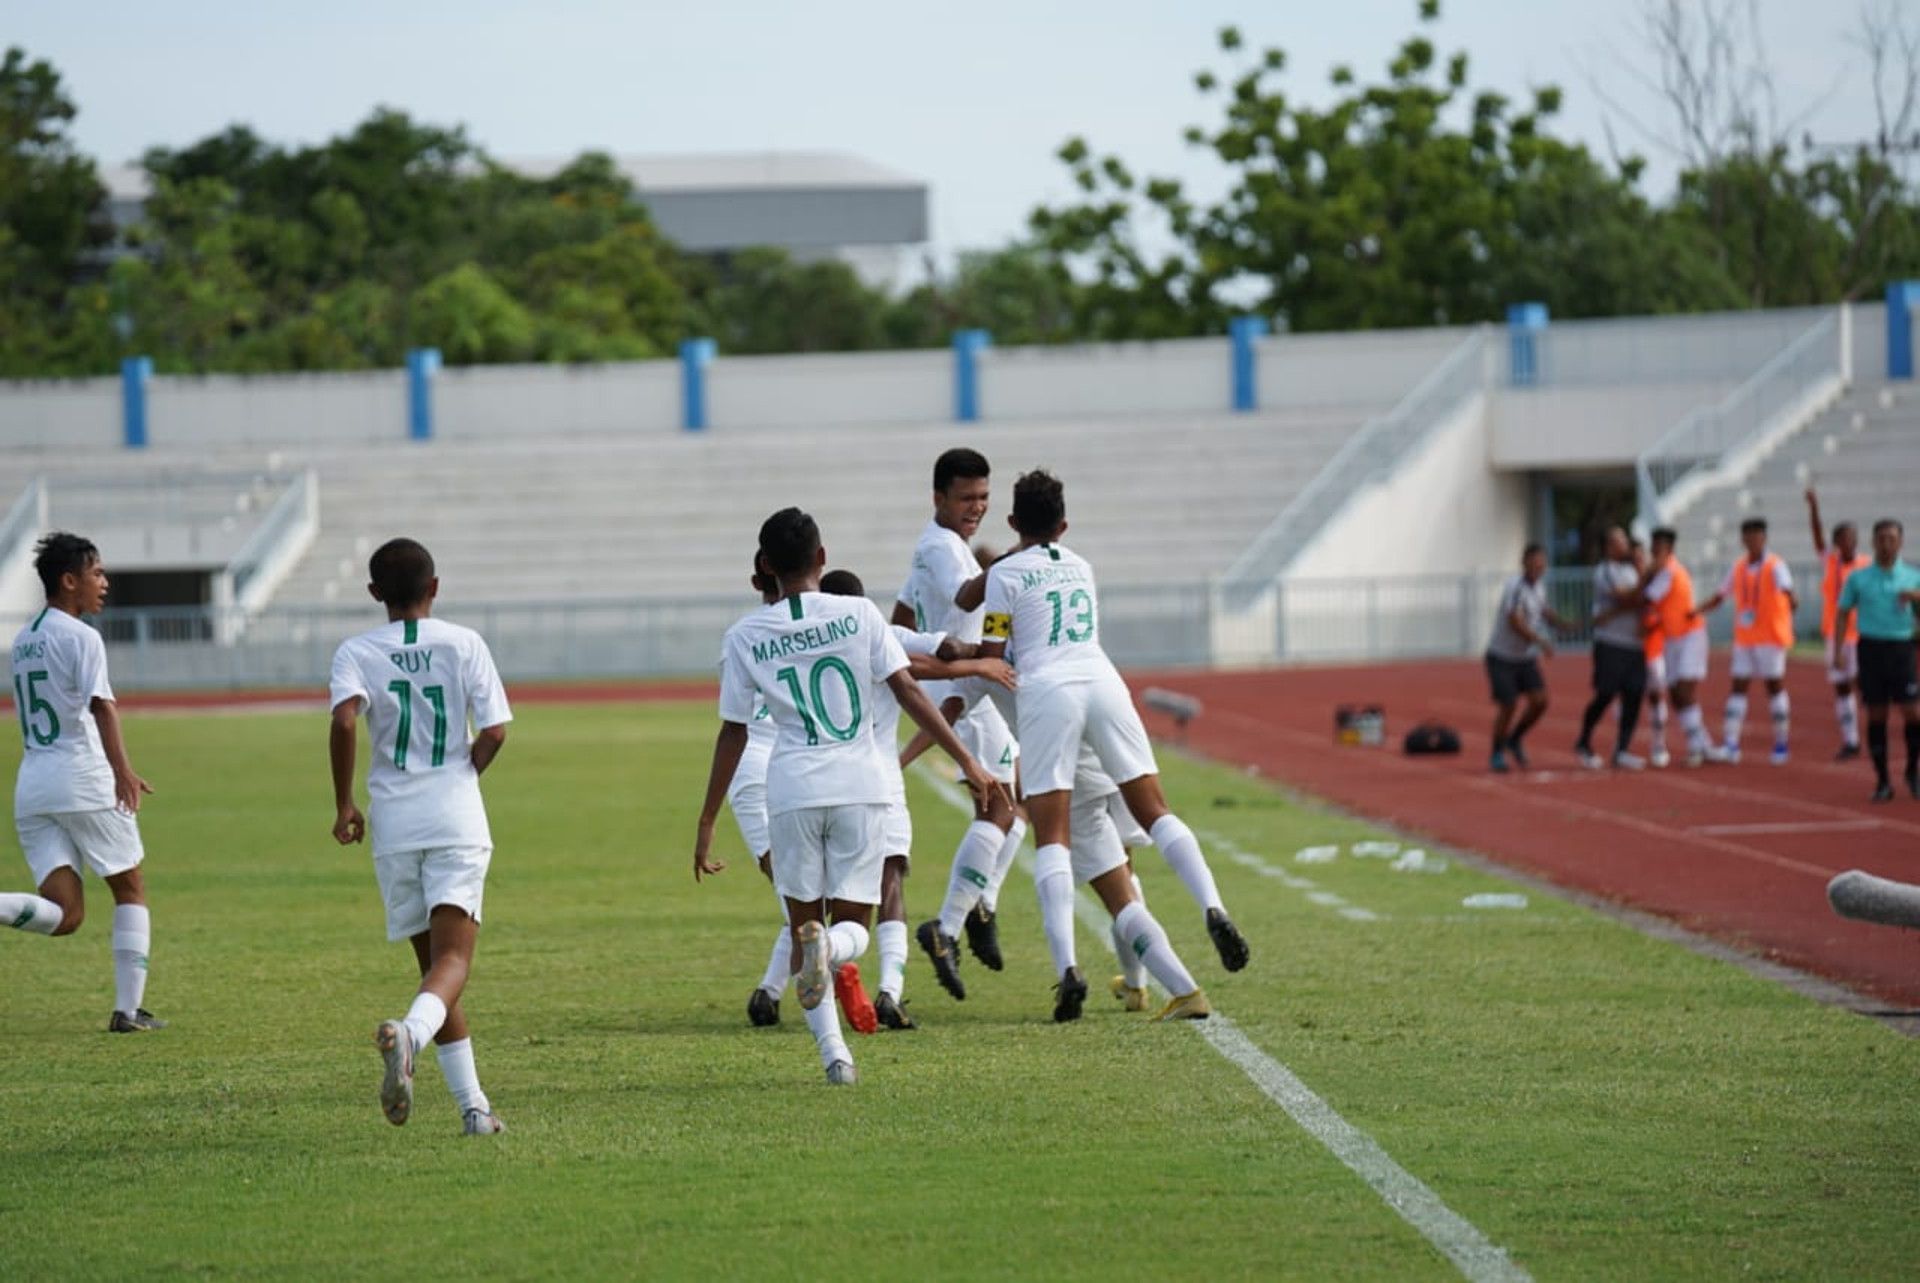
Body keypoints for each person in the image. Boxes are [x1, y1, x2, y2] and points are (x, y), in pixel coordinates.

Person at [693, 508, 993, 1085]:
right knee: (853, 928)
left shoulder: (746, 635)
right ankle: (830, 949)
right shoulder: (860, 614)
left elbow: (733, 730)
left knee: (803, 927)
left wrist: (707, 819)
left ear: (765, 568)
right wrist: (966, 759)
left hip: (791, 790)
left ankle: (837, 1058)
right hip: (862, 786)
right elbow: (908, 690)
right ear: (822, 559)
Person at [980, 469, 1246, 1021]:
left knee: (1050, 837)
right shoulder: (1082, 566)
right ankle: (1213, 906)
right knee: (1156, 811)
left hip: (1050, 691)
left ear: (1011, 522)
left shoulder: (1004, 572)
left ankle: (1067, 969)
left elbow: (992, 647)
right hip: (1103, 682)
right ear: (1064, 523)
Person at [329, 537, 512, 1135]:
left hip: (395, 823)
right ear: (435, 588)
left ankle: (475, 1110)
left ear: (375, 594)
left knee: (435, 971)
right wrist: (464, 773)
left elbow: (344, 718)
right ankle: (409, 1037)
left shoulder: (355, 651)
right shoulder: (465, 643)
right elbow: (496, 731)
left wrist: (345, 802)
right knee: (453, 962)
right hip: (455, 815)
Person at [819, 566, 1016, 1031]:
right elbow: (930, 660)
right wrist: (978, 657)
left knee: (815, 896)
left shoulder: (802, 642)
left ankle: (780, 989)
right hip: (875, 781)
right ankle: (890, 990)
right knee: (890, 884)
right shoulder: (878, 631)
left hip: (812, 781)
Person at [0, 532, 162, 1033]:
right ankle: (128, 1011)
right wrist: (123, 771)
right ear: (69, 581)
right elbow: (102, 706)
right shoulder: (82, 636)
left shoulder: (24, 639)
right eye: (97, 573)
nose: (104, 583)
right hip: (83, 777)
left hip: (34, 787)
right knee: (130, 888)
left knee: (65, 915)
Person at [893, 448, 1027, 995]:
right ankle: (949, 925)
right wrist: (1020, 555)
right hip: (963, 689)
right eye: (967, 498)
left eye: (984, 499)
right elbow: (969, 594)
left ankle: (979, 909)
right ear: (939, 498)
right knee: (1003, 806)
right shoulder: (940, 546)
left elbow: (902, 614)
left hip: (973, 683)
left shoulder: (945, 548)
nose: (977, 508)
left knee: (1011, 806)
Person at [1694, 518, 1797, 765]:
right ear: (1743, 539)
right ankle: (1731, 744)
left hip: (1771, 638)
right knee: (1738, 687)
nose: (1752, 541)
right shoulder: (1738, 567)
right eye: (1748, 536)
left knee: (1774, 687)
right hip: (1745, 637)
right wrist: (1695, 611)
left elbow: (1789, 592)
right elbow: (1720, 596)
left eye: (1757, 536)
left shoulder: (1775, 566)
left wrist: (1792, 600)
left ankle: (1781, 744)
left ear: (1764, 538)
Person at [1833, 519, 1920, 802]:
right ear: (1873, 542)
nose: (1886, 543)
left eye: (1891, 538)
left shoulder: (1912, 576)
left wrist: (1916, 596)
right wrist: (1837, 651)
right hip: (1870, 649)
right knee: (1877, 715)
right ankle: (1883, 780)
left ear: (1900, 542)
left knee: (1912, 712)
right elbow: (1843, 612)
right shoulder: (1859, 578)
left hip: (1902, 649)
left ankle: (1912, 770)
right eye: (1881, 538)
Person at [1484, 544, 1571, 773]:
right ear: (1524, 563)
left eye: (1541, 563)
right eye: (1533, 563)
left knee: (1540, 701)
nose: (1537, 567)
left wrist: (1562, 623)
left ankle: (1515, 738)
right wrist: (1539, 641)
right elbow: (1515, 620)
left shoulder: (1538, 588)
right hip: (1501, 657)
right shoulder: (1515, 587)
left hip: (1523, 659)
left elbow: (1544, 611)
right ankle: (1496, 752)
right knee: (1509, 705)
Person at [1643, 528, 1719, 767]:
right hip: (1673, 638)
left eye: (1659, 549)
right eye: (1653, 549)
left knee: (1685, 692)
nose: (1655, 554)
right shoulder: (1664, 572)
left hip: (1689, 636)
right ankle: (1705, 744)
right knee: (1676, 695)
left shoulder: (1669, 571)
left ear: (1669, 550)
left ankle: (1697, 747)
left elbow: (1645, 599)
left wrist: (1643, 577)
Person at [1575, 527, 1648, 770]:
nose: (1625, 545)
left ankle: (1622, 750)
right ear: (1608, 547)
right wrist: (1641, 590)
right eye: (1618, 542)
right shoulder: (1605, 571)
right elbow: (1628, 598)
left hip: (1634, 644)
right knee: (1606, 694)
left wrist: (1641, 584)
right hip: (1611, 643)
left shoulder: (1634, 570)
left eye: (1625, 540)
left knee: (1634, 695)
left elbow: (1647, 598)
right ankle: (1584, 742)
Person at [1808, 489, 1871, 760]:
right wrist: (1813, 507)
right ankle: (1851, 740)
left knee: (1864, 686)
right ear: (1836, 541)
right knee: (1841, 686)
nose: (1848, 542)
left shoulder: (1866, 565)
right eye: (1843, 538)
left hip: (1858, 635)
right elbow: (1817, 537)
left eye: (1851, 537)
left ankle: (1875, 734)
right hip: (1833, 635)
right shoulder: (1830, 561)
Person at [1632, 539, 1674, 768]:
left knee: (1656, 696)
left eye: (1641, 558)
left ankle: (1659, 744)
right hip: (1630, 652)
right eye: (1634, 560)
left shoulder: (1656, 581)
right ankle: (1623, 746)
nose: (1639, 563)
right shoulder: (1630, 585)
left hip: (1653, 650)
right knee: (1628, 698)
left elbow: (1659, 612)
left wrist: (1651, 623)